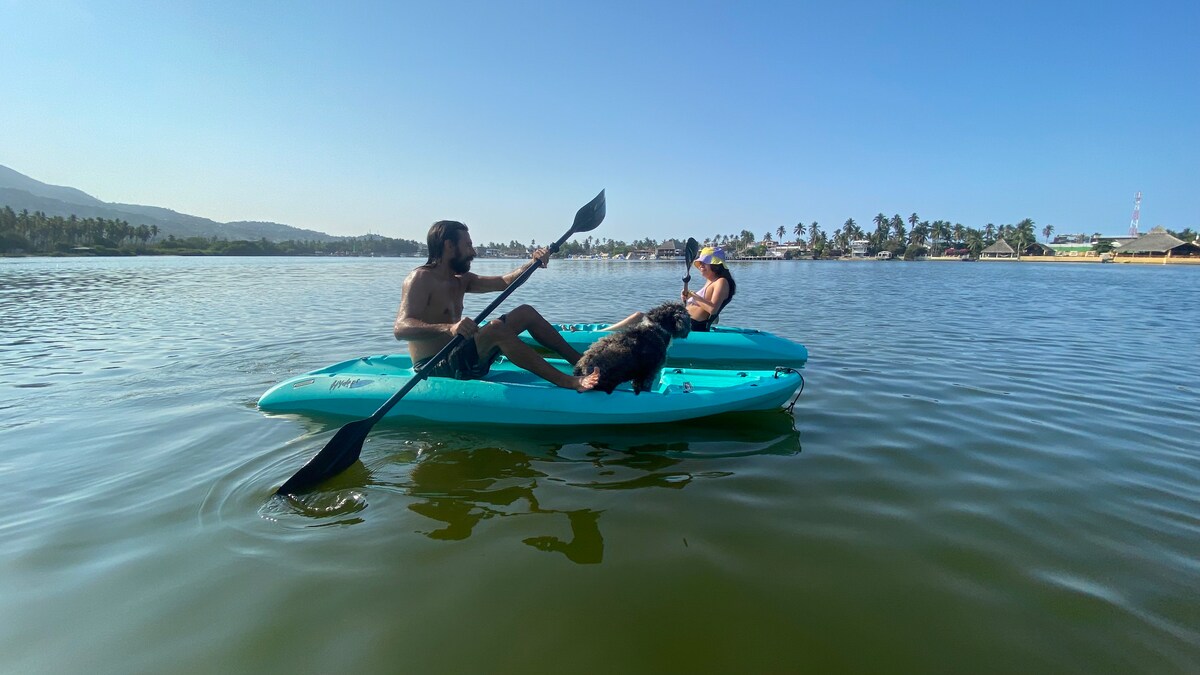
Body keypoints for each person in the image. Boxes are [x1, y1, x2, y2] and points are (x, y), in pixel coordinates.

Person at [393, 220, 600, 391]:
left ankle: (582, 364)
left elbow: (504, 282)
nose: (472, 251)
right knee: (496, 329)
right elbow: (401, 329)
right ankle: (567, 382)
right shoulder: (421, 278)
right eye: (467, 245)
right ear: (449, 246)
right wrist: (449, 327)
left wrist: (533, 262)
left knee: (525, 312)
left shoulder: (461, 279)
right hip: (433, 367)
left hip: (462, 358)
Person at [604, 245, 737, 332]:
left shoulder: (721, 282)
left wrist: (693, 296)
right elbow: (703, 306)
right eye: (700, 263)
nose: (701, 265)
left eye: (704, 263)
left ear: (715, 265)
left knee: (639, 317)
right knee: (643, 320)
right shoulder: (711, 281)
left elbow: (713, 310)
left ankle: (598, 335)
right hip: (683, 321)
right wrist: (687, 299)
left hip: (691, 326)